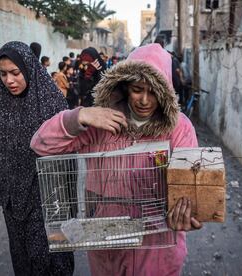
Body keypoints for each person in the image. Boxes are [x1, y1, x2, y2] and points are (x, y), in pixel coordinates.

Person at [30, 43, 202, 276]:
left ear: (165, 91)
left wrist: (187, 210)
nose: (144, 100)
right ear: (125, 86)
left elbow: (190, 185)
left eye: (153, 92)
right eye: (137, 89)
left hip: (158, 248)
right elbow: (40, 144)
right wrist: (80, 115)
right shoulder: (101, 121)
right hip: (109, 242)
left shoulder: (179, 127)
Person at [0, 41, 74, 276]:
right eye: (3, 74)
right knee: (22, 254)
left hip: (46, 195)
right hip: (12, 197)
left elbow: (70, 147)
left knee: (49, 253)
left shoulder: (51, 100)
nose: (9, 80)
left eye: (15, 73)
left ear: (29, 69)